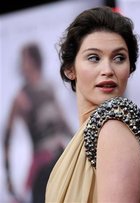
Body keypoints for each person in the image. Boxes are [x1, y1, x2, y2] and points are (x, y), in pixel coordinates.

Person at [45, 6, 140, 203]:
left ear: (129, 69)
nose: (107, 69)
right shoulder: (90, 134)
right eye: (94, 58)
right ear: (70, 69)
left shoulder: (114, 127)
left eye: (119, 58)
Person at [3, 42, 73, 202]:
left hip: (60, 157)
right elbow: (7, 137)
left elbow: (64, 124)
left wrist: (83, 149)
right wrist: (8, 177)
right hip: (41, 165)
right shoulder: (21, 97)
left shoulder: (49, 90)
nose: (22, 64)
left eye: (25, 59)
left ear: (35, 60)